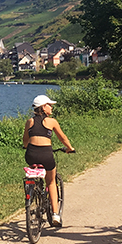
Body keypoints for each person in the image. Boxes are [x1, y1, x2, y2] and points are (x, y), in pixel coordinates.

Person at [23, 94, 74, 226]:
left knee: (35, 172)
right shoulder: (51, 121)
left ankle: (33, 190)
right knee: (51, 182)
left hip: (31, 155)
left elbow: (25, 141)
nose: (51, 108)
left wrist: (27, 147)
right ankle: (56, 214)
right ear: (43, 107)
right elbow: (62, 137)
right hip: (46, 155)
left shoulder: (30, 122)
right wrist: (69, 148)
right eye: (49, 105)